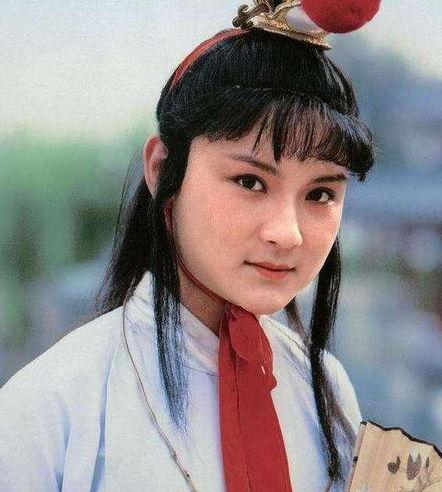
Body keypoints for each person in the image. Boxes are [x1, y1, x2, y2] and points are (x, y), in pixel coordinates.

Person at [0, 0, 379, 490]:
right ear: (162, 170)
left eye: (320, 194)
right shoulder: (49, 410)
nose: (287, 233)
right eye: (250, 181)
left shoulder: (326, 390)